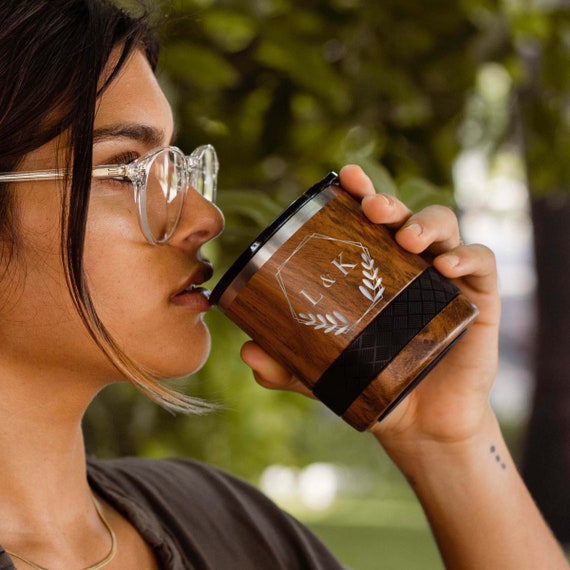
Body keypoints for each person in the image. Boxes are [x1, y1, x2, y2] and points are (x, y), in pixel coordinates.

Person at [0, 1, 566, 569]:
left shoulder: (228, 525)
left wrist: (447, 441)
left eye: (178, 169)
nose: (206, 218)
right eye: (127, 170)